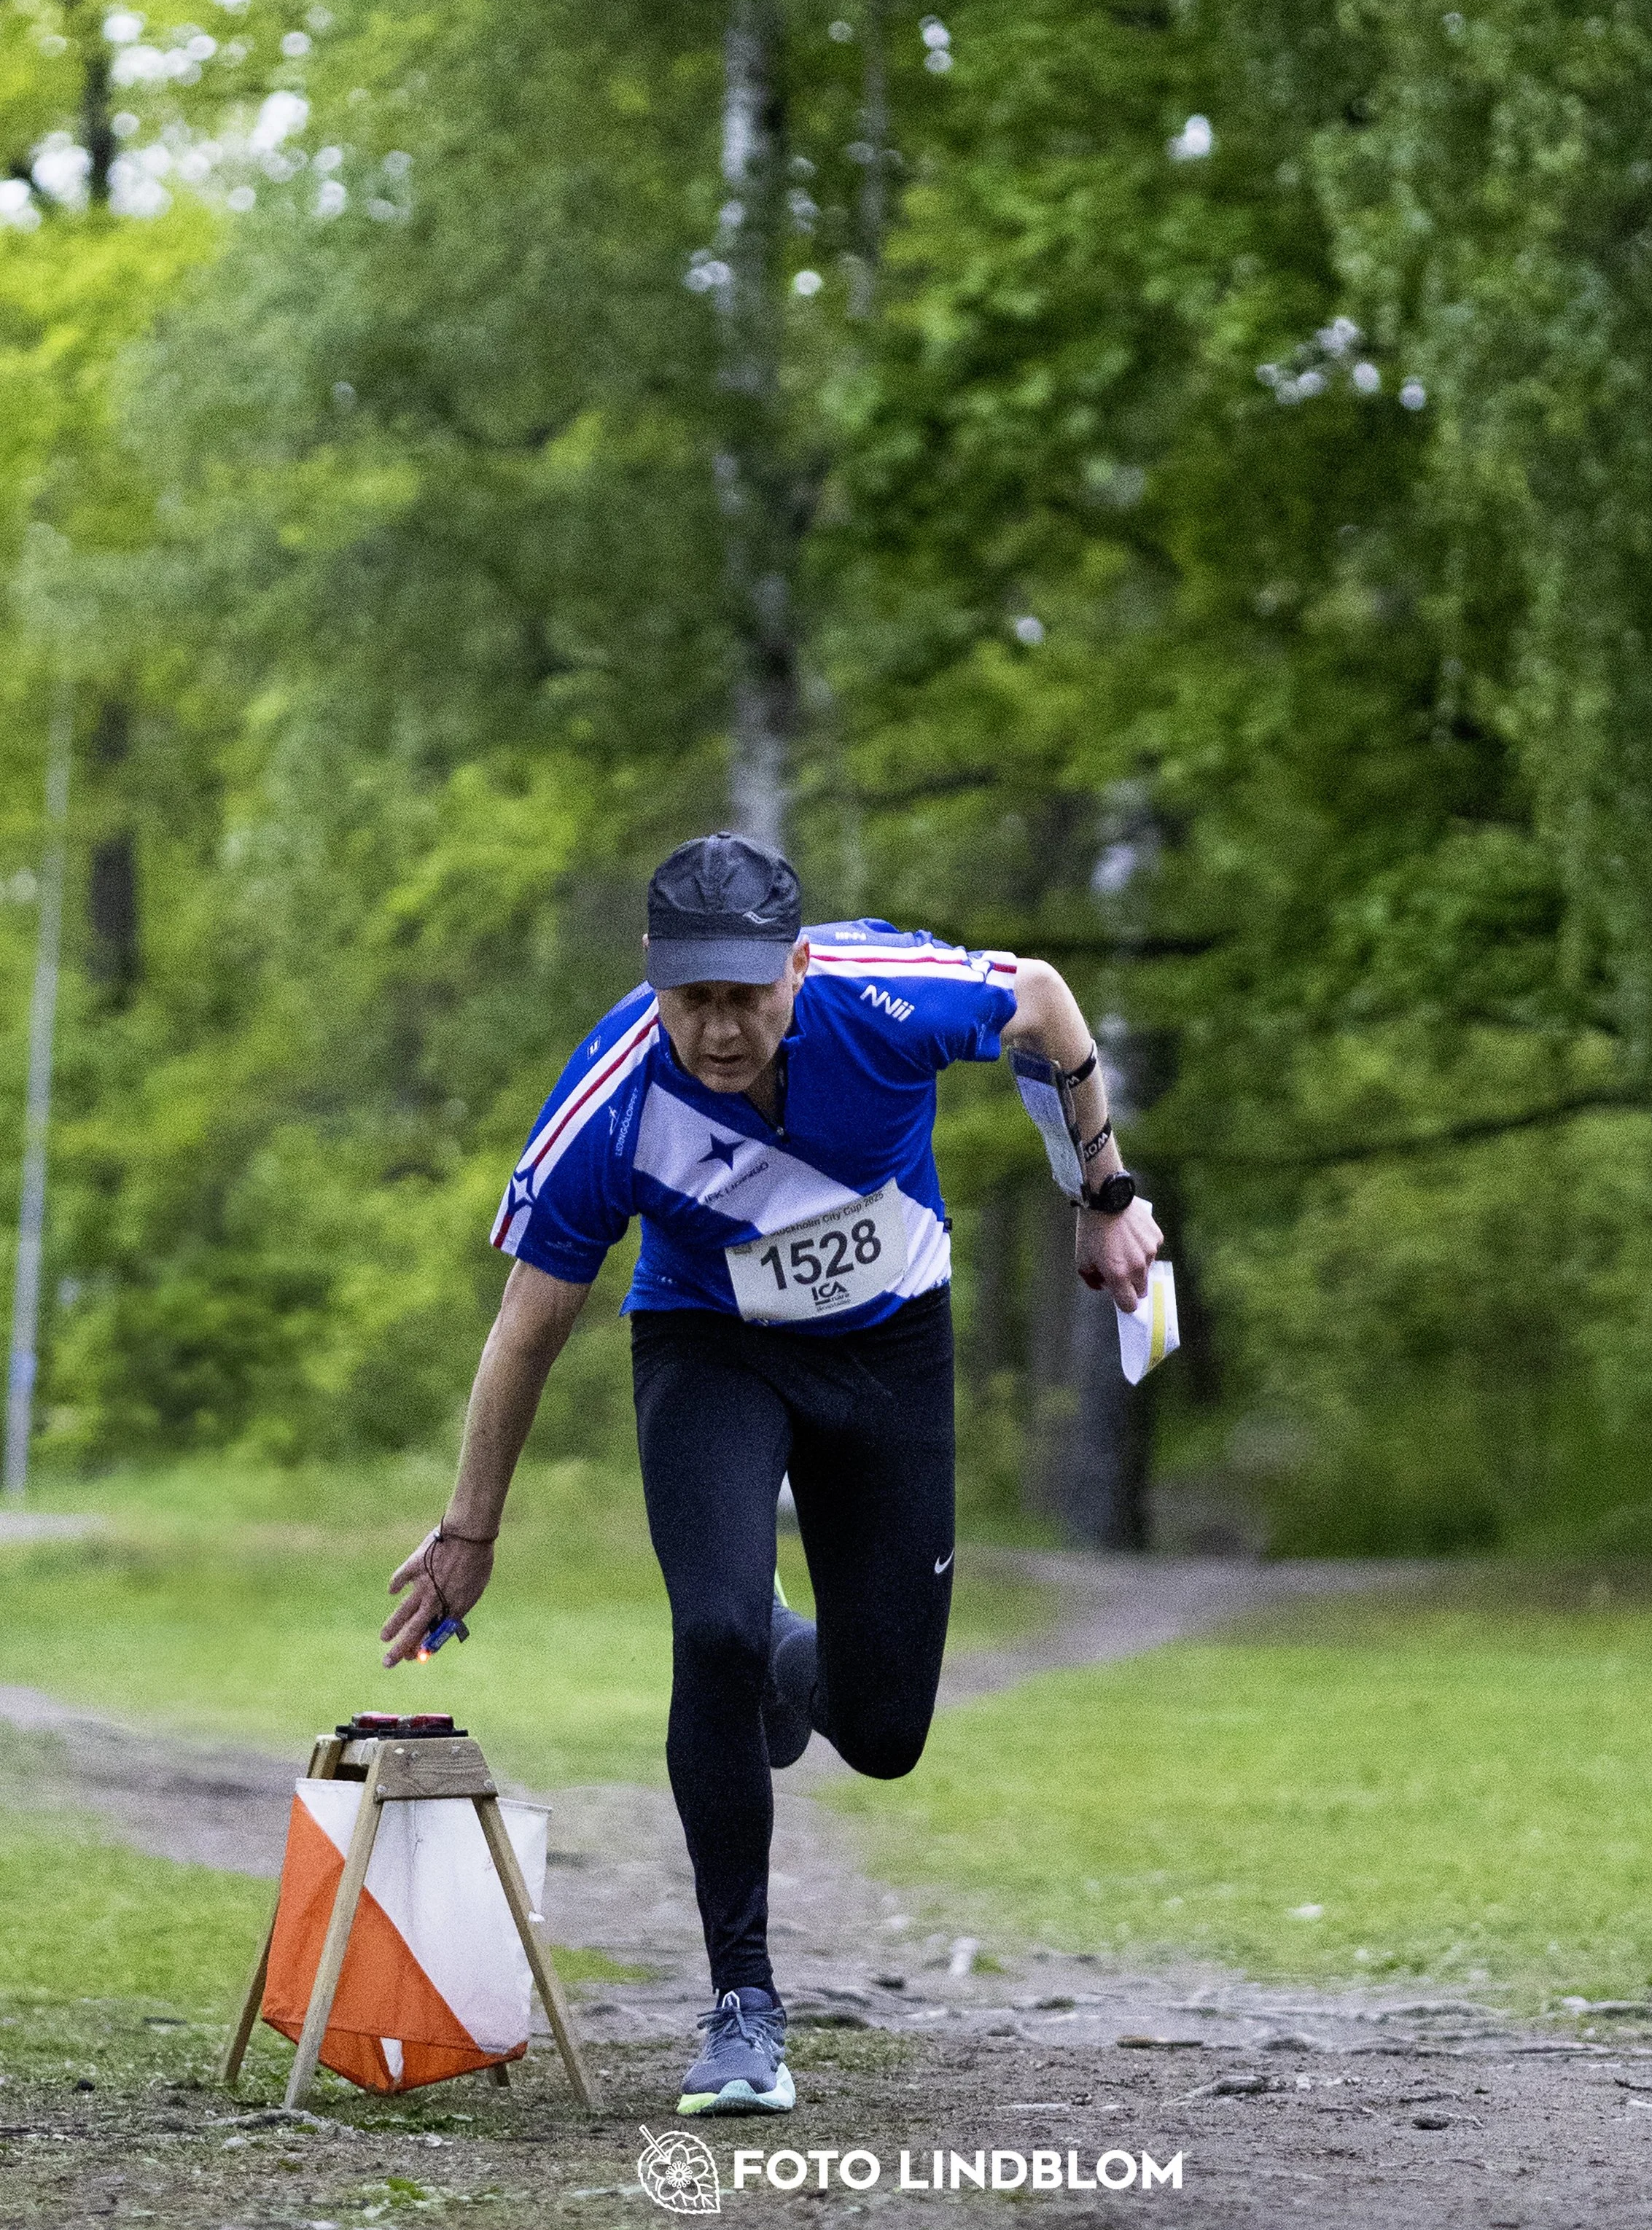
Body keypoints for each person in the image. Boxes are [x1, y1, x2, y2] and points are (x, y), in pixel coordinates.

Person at [379, 832, 1161, 2116]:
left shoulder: (890, 1000)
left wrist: (1104, 1191)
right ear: (654, 978)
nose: (723, 1029)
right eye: (694, 1000)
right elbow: (529, 1326)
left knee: (888, 1731)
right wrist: (470, 1532)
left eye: (748, 995)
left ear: (797, 966)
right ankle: (743, 2003)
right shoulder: (614, 1099)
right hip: (712, 1352)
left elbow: (1047, 1004)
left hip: (892, 1353)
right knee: (716, 1631)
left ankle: (797, 1666)